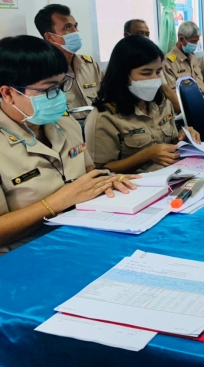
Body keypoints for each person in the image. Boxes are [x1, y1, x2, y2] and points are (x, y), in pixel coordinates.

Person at [0, 36, 136, 255]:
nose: (60, 96)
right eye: (49, 89)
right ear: (8, 94)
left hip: (85, 231)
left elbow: (87, 169)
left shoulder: (64, 122)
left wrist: (107, 180)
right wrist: (56, 203)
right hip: (28, 252)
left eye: (62, 85)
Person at [85, 36, 200, 174]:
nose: (155, 79)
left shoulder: (162, 103)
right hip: (135, 183)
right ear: (123, 75)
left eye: (158, 72)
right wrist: (145, 156)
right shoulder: (104, 117)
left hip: (174, 174)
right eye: (146, 73)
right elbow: (98, 170)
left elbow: (170, 144)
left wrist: (183, 137)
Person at [34, 4, 102, 122]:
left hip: (97, 124)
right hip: (67, 128)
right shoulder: (41, 71)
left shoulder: (90, 65)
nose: (75, 32)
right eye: (67, 27)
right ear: (50, 37)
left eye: (75, 26)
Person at [162, 21, 204, 125]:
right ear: (181, 39)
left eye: (197, 41)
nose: (195, 45)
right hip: (191, 107)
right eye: (193, 41)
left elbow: (202, 84)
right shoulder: (168, 62)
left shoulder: (192, 56)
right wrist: (202, 107)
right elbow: (175, 96)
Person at [123, 19, 181, 115]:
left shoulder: (153, 61)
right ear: (126, 35)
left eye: (147, 34)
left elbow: (166, 89)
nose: (145, 38)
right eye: (140, 33)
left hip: (151, 110)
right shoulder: (120, 61)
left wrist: (183, 112)